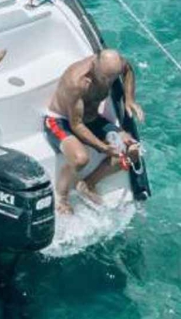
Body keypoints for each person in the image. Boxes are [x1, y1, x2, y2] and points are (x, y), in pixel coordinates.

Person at [44, 50, 143, 214]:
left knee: (133, 151)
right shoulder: (77, 83)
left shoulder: (113, 66)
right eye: (105, 78)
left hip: (91, 118)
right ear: (94, 66)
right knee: (80, 159)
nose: (109, 81)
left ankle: (88, 183)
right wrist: (102, 147)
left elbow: (128, 69)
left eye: (113, 77)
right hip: (61, 121)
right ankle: (62, 196)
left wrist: (129, 98)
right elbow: (76, 125)